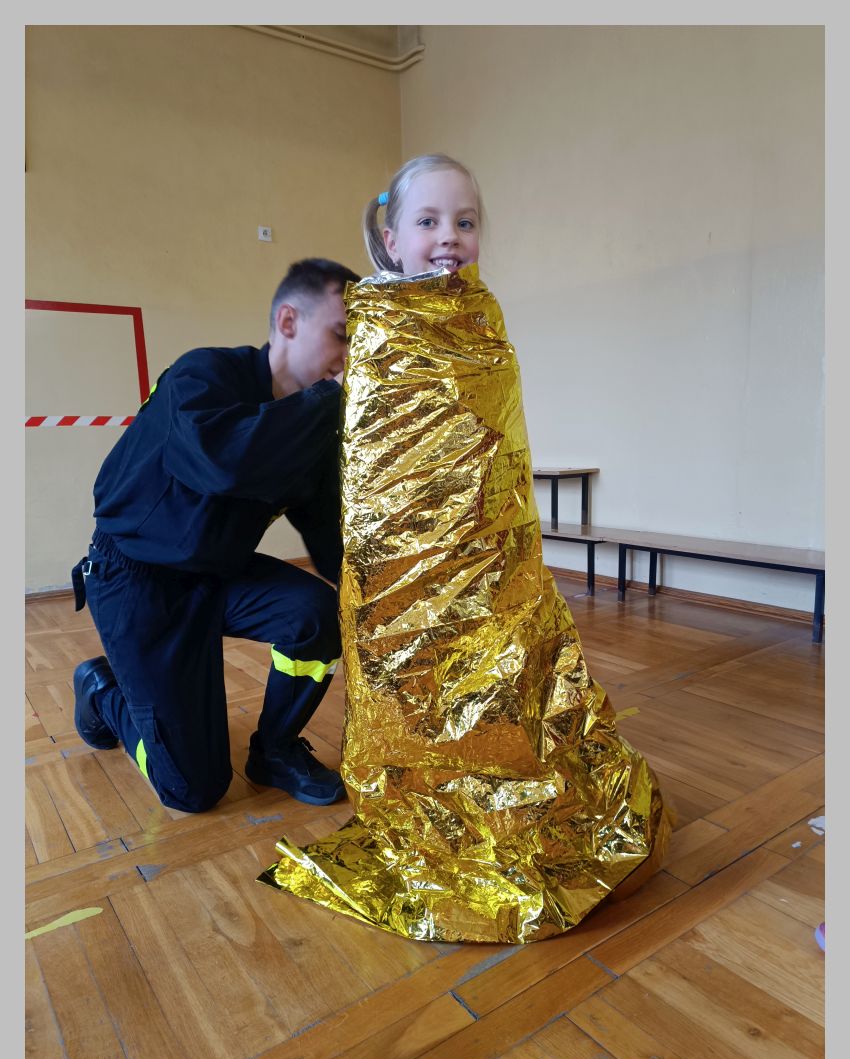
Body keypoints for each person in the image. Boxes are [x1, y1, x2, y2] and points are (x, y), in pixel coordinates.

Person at [260, 157, 671, 942]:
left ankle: (502, 778)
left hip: (487, 552)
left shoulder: (481, 317)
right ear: (391, 238)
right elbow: (373, 467)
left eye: (465, 221)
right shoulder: (380, 327)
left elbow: (499, 444)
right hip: (408, 563)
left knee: (504, 669)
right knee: (425, 678)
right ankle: (434, 789)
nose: (449, 236)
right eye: (429, 221)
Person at [70, 257, 361, 814]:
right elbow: (222, 462)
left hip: (219, 574)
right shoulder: (202, 375)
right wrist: (331, 398)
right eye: (342, 335)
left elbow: (330, 542)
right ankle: (103, 691)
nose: (350, 356)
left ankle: (275, 750)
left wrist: (387, 603)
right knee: (192, 790)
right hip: (136, 579)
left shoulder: (313, 429)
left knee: (319, 615)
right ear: (289, 321)